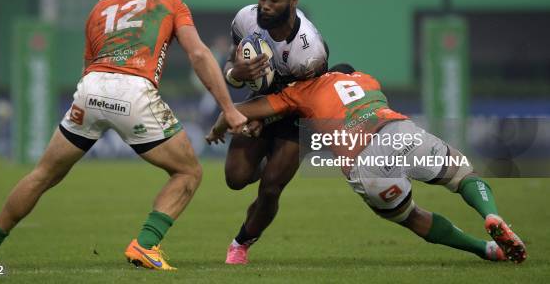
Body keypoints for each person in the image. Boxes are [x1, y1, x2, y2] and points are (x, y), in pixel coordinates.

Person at [0, 0, 246, 270]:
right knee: (188, 171)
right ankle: (145, 244)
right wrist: (229, 108)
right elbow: (199, 54)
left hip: (91, 89)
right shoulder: (167, 1)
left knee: (43, 174)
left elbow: (89, 65)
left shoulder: (98, 9)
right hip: (133, 91)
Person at [207, 64, 527, 264]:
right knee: (461, 173)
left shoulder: (302, 92)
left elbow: (243, 111)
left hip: (366, 162)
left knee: (412, 216)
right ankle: (491, 214)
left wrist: (219, 130)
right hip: (396, 131)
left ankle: (485, 250)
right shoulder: (367, 80)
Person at [222, 0, 328, 264]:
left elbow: (305, 100)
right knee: (235, 177)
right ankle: (268, 159)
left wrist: (263, 119)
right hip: (265, 102)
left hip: (302, 112)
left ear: (293, 1)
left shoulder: (309, 51)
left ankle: (241, 243)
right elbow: (233, 63)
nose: (265, 5)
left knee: (270, 187)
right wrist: (236, 74)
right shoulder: (246, 19)